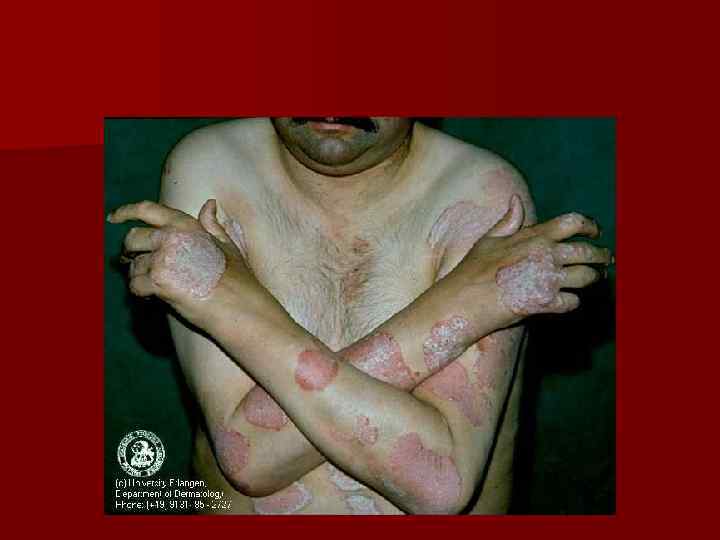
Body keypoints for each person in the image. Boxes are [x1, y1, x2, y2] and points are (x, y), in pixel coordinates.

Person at [108, 117, 612, 515]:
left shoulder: (484, 193)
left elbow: (439, 484)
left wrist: (226, 302)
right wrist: (466, 304)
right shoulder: (213, 168)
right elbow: (251, 458)